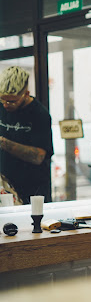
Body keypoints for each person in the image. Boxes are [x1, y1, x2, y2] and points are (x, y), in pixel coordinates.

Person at [0, 66, 53, 204]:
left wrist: (3, 142)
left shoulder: (39, 115)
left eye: (12, 101)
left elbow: (38, 156)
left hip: (33, 190)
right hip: (5, 187)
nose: (6, 105)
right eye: (3, 100)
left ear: (26, 94)